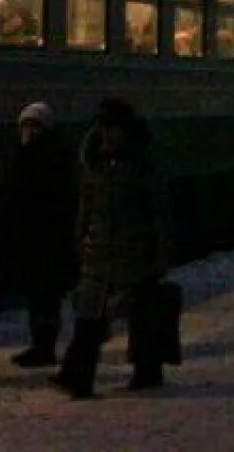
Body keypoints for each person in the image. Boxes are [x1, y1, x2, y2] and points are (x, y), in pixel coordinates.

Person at [53, 98, 171, 399]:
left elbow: (157, 210)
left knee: (140, 313)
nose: (107, 134)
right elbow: (87, 206)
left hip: (135, 248)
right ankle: (77, 377)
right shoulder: (96, 161)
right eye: (104, 128)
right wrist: (80, 240)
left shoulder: (140, 163)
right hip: (100, 249)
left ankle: (146, 369)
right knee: (90, 315)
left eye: (112, 129)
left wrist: (160, 252)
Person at [4, 102, 77, 368]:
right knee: (38, 297)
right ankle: (40, 345)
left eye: (34, 125)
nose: (28, 131)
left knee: (45, 298)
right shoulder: (30, 155)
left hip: (48, 241)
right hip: (34, 240)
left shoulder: (48, 158)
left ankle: (44, 349)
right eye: (25, 125)